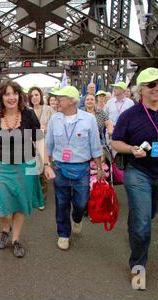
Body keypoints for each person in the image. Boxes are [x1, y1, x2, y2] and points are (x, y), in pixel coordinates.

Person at [111, 67, 158, 289]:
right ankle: (138, 268)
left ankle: (136, 223)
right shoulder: (130, 115)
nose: (157, 88)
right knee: (143, 225)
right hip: (138, 173)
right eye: (151, 85)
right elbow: (115, 142)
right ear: (140, 90)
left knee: (145, 215)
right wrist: (131, 148)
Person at [0, 80, 45, 258]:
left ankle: (15, 239)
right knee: (0, 204)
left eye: (14, 93)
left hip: (26, 165)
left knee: (19, 203)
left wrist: (45, 164)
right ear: (1, 97)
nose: (11, 97)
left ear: (20, 95)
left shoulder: (28, 114)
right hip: (3, 166)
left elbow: (39, 139)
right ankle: (5, 228)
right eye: (7, 94)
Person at [44, 86, 104, 251]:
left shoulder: (88, 119)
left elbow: (95, 145)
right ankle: (63, 233)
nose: (56, 101)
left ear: (71, 101)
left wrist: (99, 168)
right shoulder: (55, 119)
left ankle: (77, 218)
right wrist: (46, 164)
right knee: (61, 202)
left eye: (60, 98)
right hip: (60, 167)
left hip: (82, 169)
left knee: (80, 202)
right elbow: (48, 144)